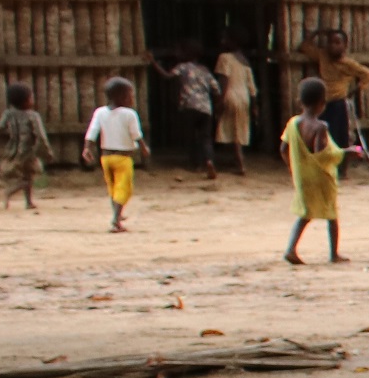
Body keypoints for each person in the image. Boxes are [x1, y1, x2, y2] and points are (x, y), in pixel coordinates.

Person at [282, 77, 345, 265]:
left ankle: (291, 249)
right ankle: (334, 254)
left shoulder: (293, 123)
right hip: (321, 178)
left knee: (305, 214)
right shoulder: (321, 127)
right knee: (331, 215)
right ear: (322, 103)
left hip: (302, 176)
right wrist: (345, 153)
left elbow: (283, 149)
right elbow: (321, 154)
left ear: (300, 102)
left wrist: (292, 167)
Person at [82, 76, 147, 233]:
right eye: (130, 95)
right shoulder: (129, 114)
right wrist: (144, 148)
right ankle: (115, 221)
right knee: (124, 188)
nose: (132, 98)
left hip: (106, 158)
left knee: (113, 188)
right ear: (122, 96)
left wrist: (87, 149)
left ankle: (117, 214)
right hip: (123, 158)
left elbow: (92, 132)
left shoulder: (100, 112)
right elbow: (136, 135)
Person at [308, 27, 369, 177]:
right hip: (323, 104)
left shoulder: (348, 64)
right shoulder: (322, 56)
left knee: (341, 138)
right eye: (330, 42)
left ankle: (342, 171)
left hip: (338, 104)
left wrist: (357, 89)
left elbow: (368, 75)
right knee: (323, 137)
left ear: (345, 45)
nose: (333, 46)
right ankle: (324, 168)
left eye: (337, 42)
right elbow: (304, 47)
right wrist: (317, 33)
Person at [153, 42, 221, 177]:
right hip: (206, 108)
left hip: (189, 106)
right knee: (206, 137)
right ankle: (209, 161)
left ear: (185, 53)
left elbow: (167, 76)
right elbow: (216, 89)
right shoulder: (204, 70)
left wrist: (154, 63)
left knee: (192, 136)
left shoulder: (182, 67)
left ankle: (196, 165)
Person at [0, 80, 48, 211]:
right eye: (31, 97)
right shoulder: (33, 115)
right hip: (29, 151)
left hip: (13, 150)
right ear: (26, 101)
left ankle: (28, 201)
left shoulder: (8, 114)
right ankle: (10, 191)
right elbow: (40, 135)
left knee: (26, 175)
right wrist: (47, 151)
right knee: (30, 176)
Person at [212, 33, 256, 174]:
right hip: (244, 98)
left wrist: (220, 100)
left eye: (226, 38)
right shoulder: (245, 61)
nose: (222, 40)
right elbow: (252, 87)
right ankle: (237, 160)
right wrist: (255, 105)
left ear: (233, 41)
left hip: (230, 95)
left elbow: (223, 81)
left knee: (232, 130)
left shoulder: (224, 58)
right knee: (239, 129)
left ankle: (240, 163)